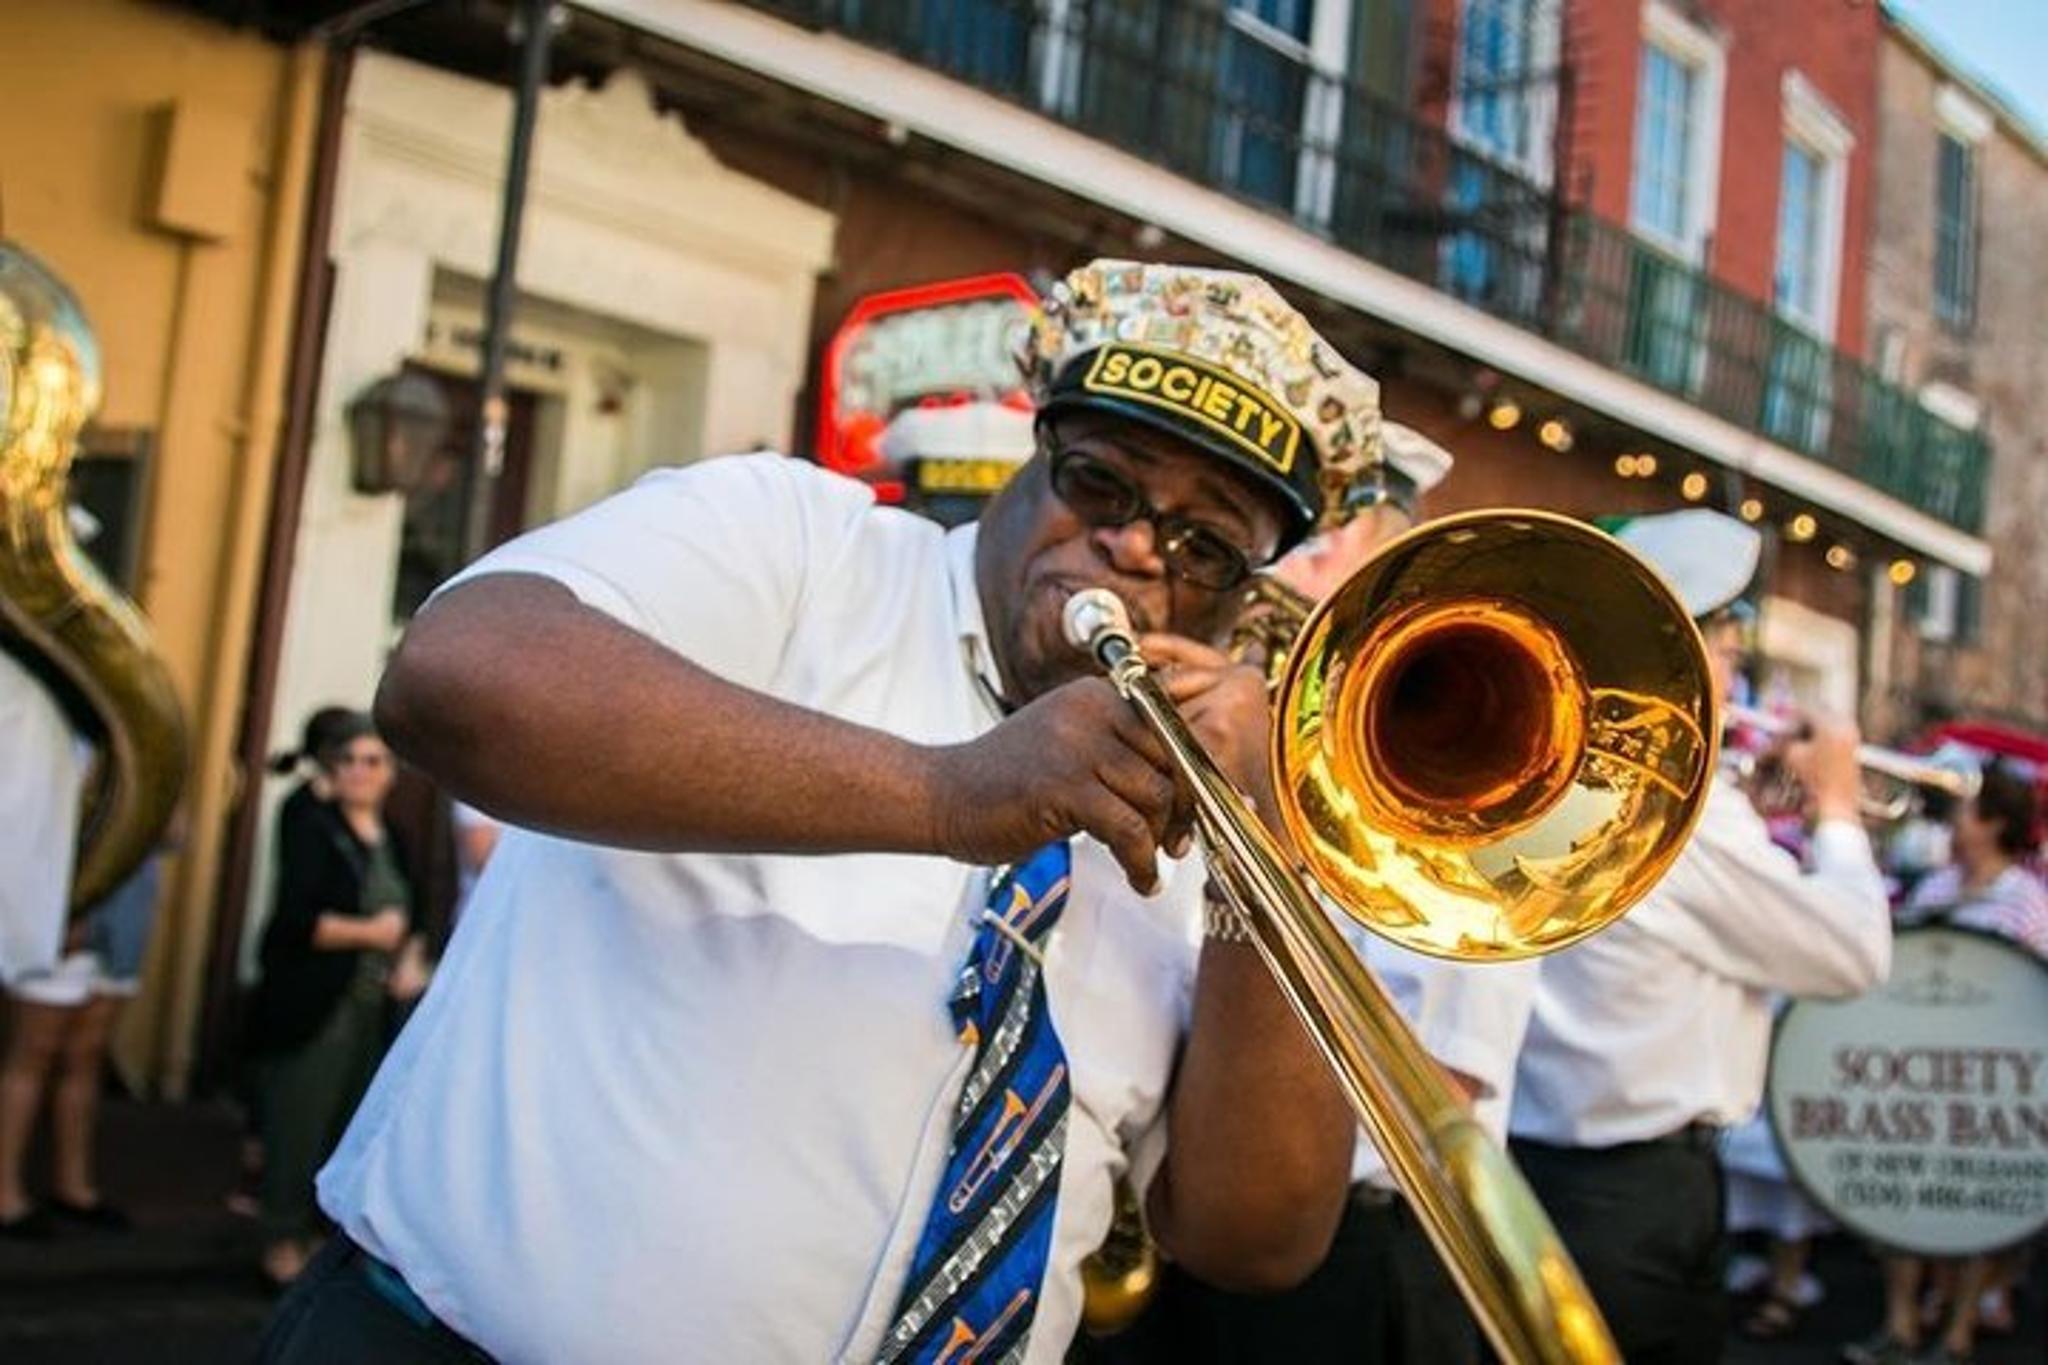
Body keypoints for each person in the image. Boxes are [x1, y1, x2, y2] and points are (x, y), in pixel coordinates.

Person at [255, 260, 1371, 1363]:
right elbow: (454, 676)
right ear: (1028, 458)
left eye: (1205, 545)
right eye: (1101, 484)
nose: (1135, 549)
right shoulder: (802, 547)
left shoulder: (1214, 799)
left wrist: (1263, 855)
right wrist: (949, 792)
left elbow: (1252, 1241)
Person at [1117, 422, 1534, 1365]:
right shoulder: (1229, 724)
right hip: (1187, 1217)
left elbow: (1448, 1089)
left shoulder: (1457, 772)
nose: (1296, 570)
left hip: (1356, 1240)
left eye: (1333, 539)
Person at [1507, 508, 1892, 1365]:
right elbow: (1853, 953)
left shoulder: (1606, 789)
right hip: (1629, 1196)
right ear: (1673, 647)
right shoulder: (1677, 813)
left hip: (1594, 1180)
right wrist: (1836, 807)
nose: (1734, 669)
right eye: (1724, 643)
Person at [1846, 766, 2047, 1365]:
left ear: (1993, 824)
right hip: (1917, 1076)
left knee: (1974, 1203)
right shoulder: (1936, 888)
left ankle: (1957, 1331)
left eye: (1967, 811)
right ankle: (1901, 1322)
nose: (1955, 823)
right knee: (1901, 1199)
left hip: (1987, 1086)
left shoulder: (2028, 901)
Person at [251, 711, 417, 1288]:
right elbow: (296, 922)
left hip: (372, 1007)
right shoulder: (312, 822)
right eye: (347, 760)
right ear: (330, 767)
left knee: (346, 1129)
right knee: (297, 1123)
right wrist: (373, 935)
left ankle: (323, 1240)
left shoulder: (390, 835)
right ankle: (279, 1239)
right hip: (317, 1006)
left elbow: (412, 911)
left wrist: (408, 957)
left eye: (373, 761)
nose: (360, 772)